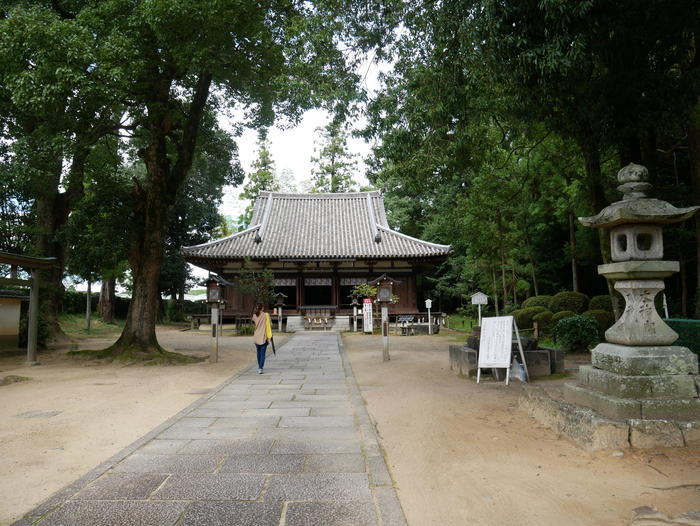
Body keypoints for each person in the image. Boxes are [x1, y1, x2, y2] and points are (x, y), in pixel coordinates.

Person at [251, 303, 272, 374]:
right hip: (263, 336)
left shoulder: (254, 315)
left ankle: (259, 366)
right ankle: (260, 368)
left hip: (256, 336)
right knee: (263, 353)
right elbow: (270, 325)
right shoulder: (266, 315)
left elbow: (253, 321)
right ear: (262, 308)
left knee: (258, 352)